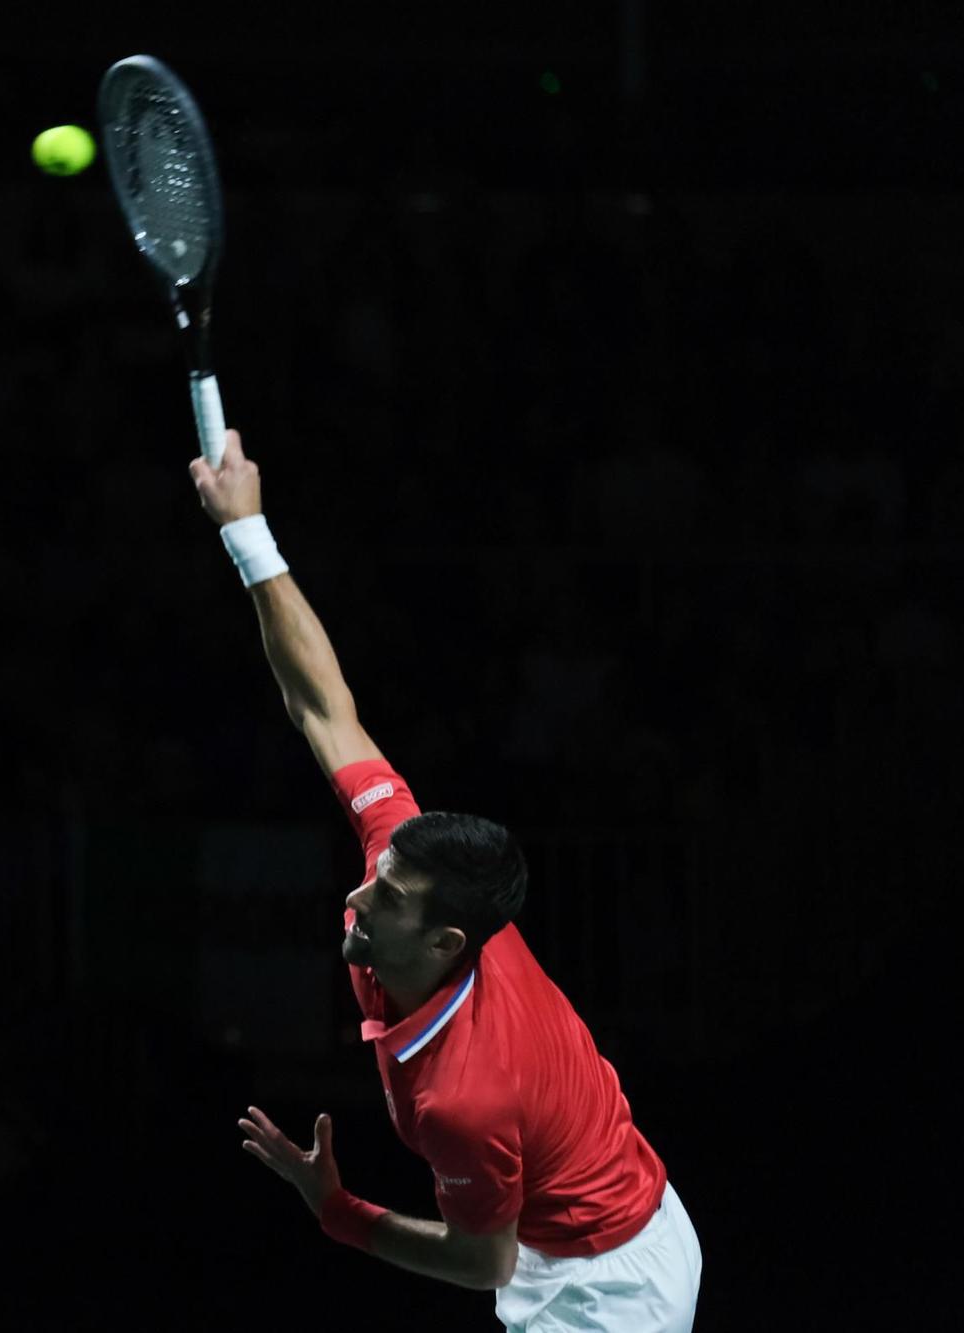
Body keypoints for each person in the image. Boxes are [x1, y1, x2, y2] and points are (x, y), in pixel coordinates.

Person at [193, 430, 702, 1331]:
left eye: (386, 900)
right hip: (584, 1218)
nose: (356, 896)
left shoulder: (466, 1093)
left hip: (606, 1291)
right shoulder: (409, 858)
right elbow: (322, 705)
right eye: (376, 877)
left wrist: (338, 1212)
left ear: (447, 942)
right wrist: (248, 532)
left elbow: (483, 1261)